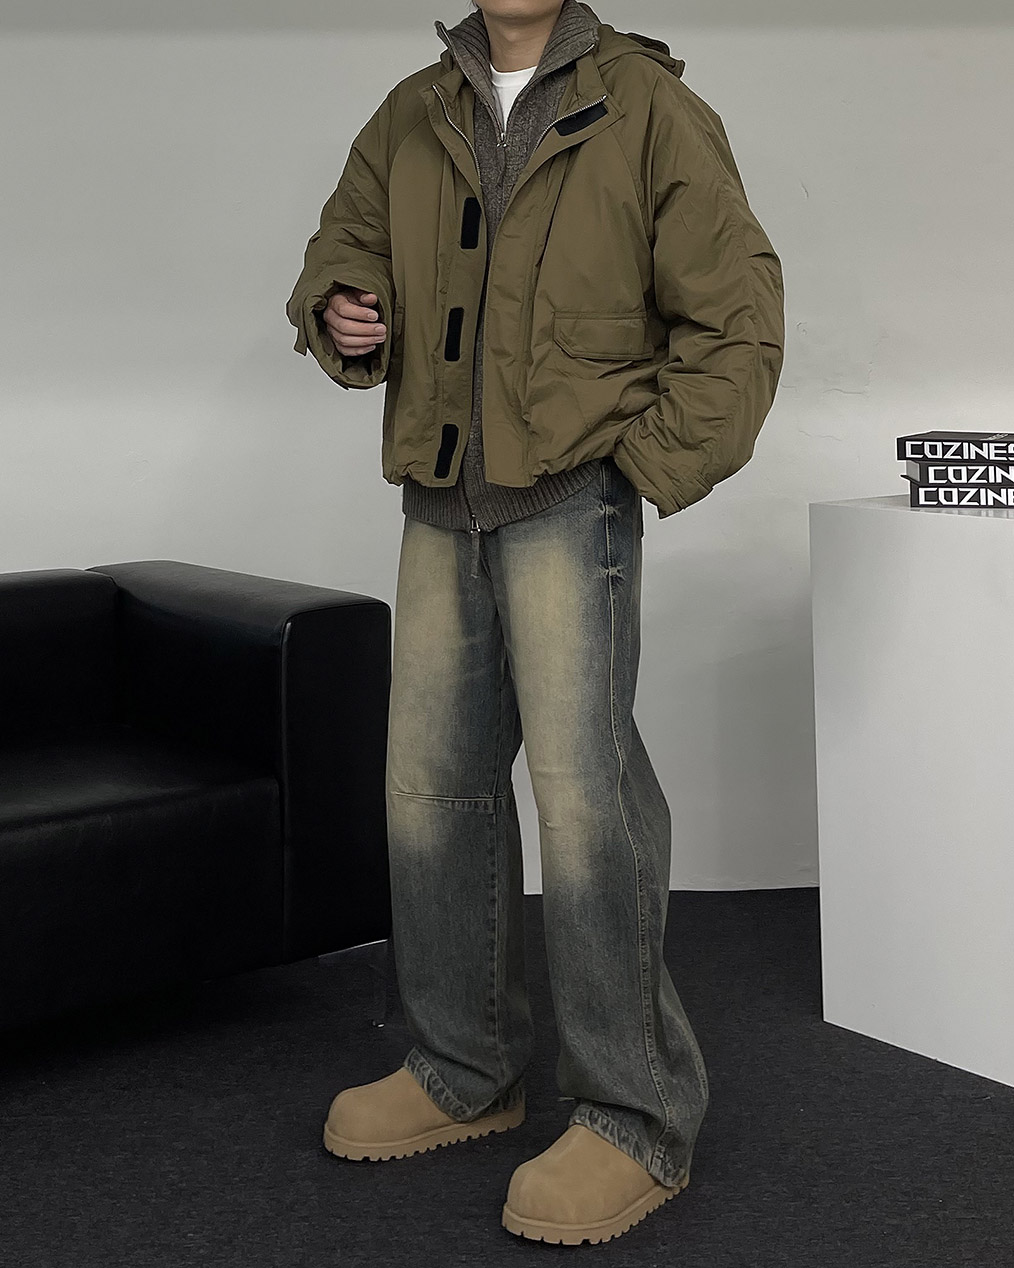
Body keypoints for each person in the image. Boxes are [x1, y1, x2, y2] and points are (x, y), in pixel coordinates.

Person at [286, 0, 784, 1246]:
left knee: (584, 797)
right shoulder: (414, 110)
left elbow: (739, 316)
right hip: (439, 497)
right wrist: (341, 308)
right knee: (429, 790)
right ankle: (463, 1066)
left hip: (570, 498)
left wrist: (641, 468)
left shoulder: (650, 109)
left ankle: (637, 1112)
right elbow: (344, 248)